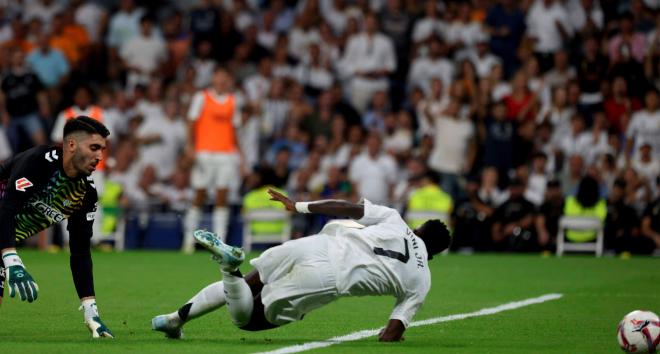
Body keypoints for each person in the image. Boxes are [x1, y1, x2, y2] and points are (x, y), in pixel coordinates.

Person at [152, 189, 451, 342]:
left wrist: (298, 206)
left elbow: (346, 207)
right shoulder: (422, 279)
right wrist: (391, 339)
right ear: (434, 254)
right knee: (248, 320)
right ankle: (229, 267)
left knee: (249, 285)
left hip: (319, 243)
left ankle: (174, 320)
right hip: (329, 277)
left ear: (419, 228)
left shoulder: (395, 219)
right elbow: (392, 332)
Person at [0, 116, 113, 338]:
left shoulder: (85, 194)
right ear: (71, 145)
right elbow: (7, 208)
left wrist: (91, 312)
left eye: (102, 149)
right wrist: (12, 260)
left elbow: (80, 251)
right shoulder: (39, 161)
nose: (100, 156)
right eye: (94, 148)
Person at [182, 67, 244, 253]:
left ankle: (220, 244)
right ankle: (188, 241)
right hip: (204, 153)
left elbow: (235, 130)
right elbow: (191, 123)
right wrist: (190, 147)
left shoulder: (234, 101)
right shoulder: (201, 97)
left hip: (226, 154)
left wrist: (241, 156)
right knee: (199, 195)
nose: (222, 80)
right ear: (213, 78)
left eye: (225, 77)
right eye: (218, 76)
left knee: (221, 196)